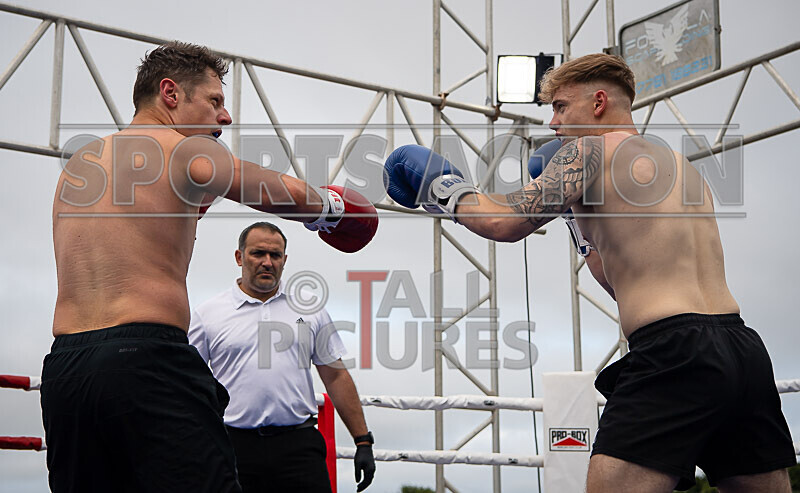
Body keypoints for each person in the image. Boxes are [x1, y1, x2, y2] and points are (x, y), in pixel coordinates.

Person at [382, 53, 796, 493]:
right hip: (743, 351)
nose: (553, 124)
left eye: (561, 107)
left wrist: (445, 187)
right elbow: (619, 281)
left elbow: (501, 222)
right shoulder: (683, 168)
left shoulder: (588, 152)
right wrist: (574, 220)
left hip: (673, 352)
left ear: (598, 102)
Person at [43, 42, 377, 493]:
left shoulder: (77, 170)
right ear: (170, 93)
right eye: (215, 100)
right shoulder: (183, 151)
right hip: (145, 358)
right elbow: (283, 193)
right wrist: (333, 210)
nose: (225, 116)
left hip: (67, 370)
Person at [188, 222, 376, 492]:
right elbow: (187, 382)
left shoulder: (310, 309)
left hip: (298, 445)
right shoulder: (208, 314)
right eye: (258, 253)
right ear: (239, 257)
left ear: (284, 260)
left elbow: (335, 375)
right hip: (232, 445)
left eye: (275, 255)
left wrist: (362, 440)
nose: (267, 262)